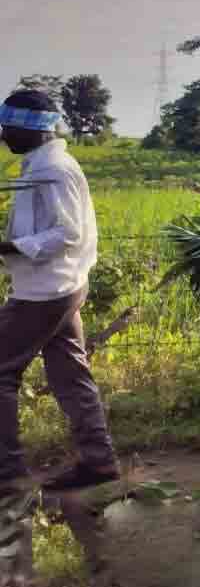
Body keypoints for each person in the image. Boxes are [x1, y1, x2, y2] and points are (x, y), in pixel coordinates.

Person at [0, 90, 117, 491]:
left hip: (45, 290)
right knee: (71, 373)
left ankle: (9, 475)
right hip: (58, 285)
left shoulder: (54, 169)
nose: (2, 134)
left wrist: (11, 247)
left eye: (7, 126)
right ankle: (99, 461)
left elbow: (68, 232)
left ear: (30, 128)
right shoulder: (41, 165)